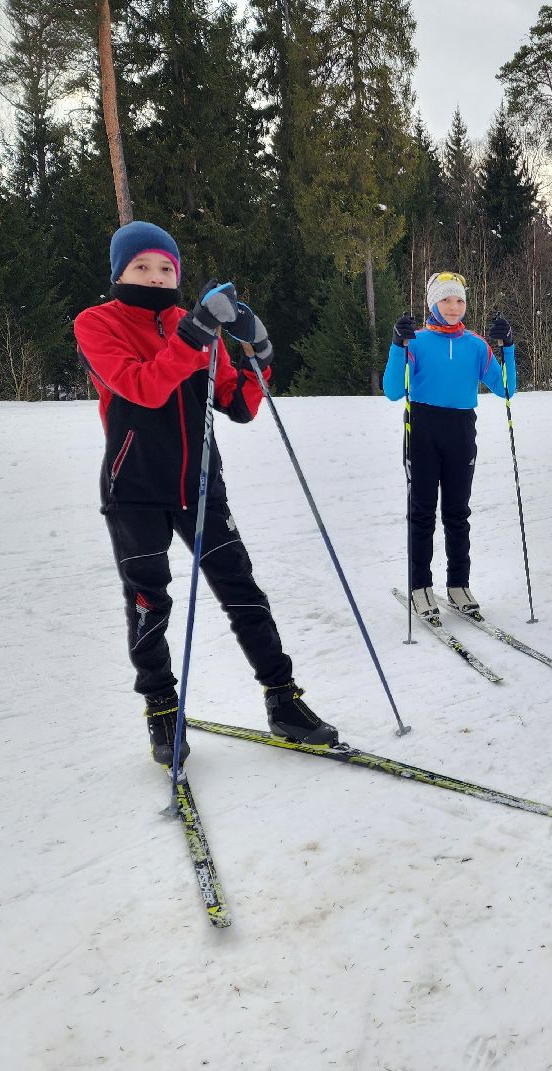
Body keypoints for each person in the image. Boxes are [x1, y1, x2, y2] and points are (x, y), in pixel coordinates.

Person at [75, 220, 338, 767]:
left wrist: (259, 353)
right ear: (119, 272)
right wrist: (194, 335)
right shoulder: (97, 323)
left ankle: (283, 700)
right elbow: (143, 387)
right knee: (150, 601)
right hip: (135, 488)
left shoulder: (189, 325)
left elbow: (238, 403)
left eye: (166, 267)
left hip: (200, 487)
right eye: (141, 267)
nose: (155, 277)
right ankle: (162, 711)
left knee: (242, 589)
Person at [384, 272, 516, 623]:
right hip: (423, 429)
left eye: (459, 300)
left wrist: (509, 348)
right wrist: (398, 346)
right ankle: (420, 588)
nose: (454, 307)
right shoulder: (417, 342)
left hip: (461, 432)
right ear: (433, 304)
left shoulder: (476, 345)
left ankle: (458, 585)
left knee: (458, 513)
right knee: (423, 512)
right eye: (446, 300)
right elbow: (393, 390)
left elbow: (505, 389)